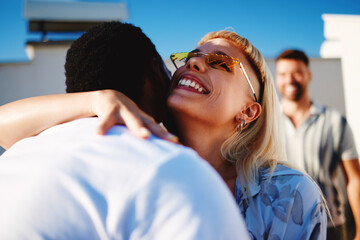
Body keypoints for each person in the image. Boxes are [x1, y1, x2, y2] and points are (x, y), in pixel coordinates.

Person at [0, 30, 328, 239]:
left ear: (248, 111)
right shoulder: (137, 150)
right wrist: (98, 98)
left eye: (218, 62)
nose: (193, 65)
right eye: (189, 58)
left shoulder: (289, 194)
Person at [275, 49, 360, 240]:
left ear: (308, 75)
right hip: (279, 229)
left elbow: (355, 179)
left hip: (331, 227)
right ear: (276, 78)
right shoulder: (266, 125)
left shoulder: (335, 121)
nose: (289, 79)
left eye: (296, 72)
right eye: (283, 74)